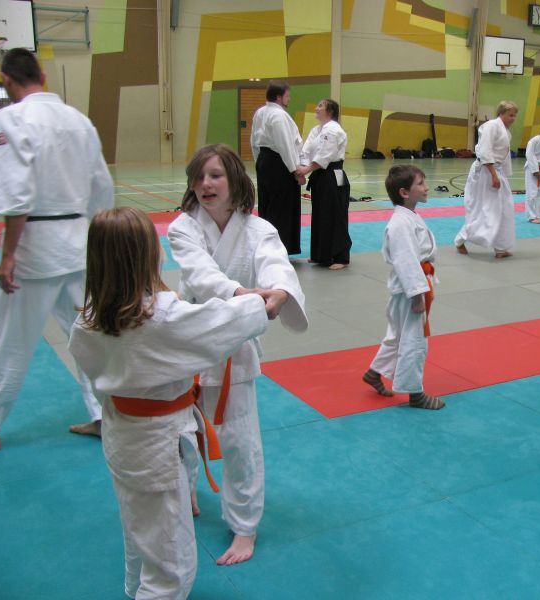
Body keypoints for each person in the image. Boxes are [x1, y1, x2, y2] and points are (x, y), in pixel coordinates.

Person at [69, 207, 275, 600]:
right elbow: (218, 325)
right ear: (148, 256)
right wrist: (261, 302)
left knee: (139, 530)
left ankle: (135, 588)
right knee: (173, 567)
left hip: (121, 434)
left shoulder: (88, 321)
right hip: (158, 444)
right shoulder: (162, 318)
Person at [167, 144, 308, 565]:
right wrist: (243, 294)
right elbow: (200, 274)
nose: (205, 184)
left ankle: (244, 526)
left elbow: (276, 263)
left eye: (215, 175)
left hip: (234, 348)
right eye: (199, 177)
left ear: (234, 180)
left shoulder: (257, 229)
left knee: (240, 441)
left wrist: (279, 292)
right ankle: (186, 490)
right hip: (188, 339)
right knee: (178, 431)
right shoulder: (183, 228)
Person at [0, 48, 113, 452]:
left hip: (35, 250)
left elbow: (17, 195)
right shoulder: (79, 121)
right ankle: (107, 414)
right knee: (90, 334)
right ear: (43, 76)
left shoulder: (9, 119)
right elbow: (101, 187)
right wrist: (97, 239)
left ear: (7, 80)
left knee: (9, 340)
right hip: (79, 244)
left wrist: (9, 255)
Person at [362, 165, 443, 410]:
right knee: (414, 340)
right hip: (411, 290)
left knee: (398, 335)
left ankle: (374, 373)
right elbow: (406, 260)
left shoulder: (409, 216)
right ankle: (415, 393)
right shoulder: (400, 224)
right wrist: (417, 294)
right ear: (404, 192)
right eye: (420, 183)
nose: (426, 187)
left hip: (412, 284)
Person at [454, 101, 518, 258]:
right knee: (487, 211)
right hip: (486, 171)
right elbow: (485, 151)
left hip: (497, 170)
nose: (513, 118)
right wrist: (493, 175)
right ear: (501, 113)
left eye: (515, 115)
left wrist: (501, 175)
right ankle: (460, 239)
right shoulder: (491, 126)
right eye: (510, 115)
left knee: (504, 208)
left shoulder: (504, 130)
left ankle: (500, 248)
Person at [296, 99, 352, 269]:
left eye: (320, 106)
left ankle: (340, 257)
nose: (316, 108)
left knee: (335, 215)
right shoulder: (316, 130)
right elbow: (306, 151)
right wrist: (302, 166)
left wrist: (306, 170)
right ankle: (321, 254)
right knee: (320, 214)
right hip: (319, 175)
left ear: (330, 111)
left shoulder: (333, 129)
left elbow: (325, 154)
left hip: (332, 175)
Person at [250, 79, 304, 255]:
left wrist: (259, 162)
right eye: (287, 95)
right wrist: (295, 170)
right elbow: (285, 145)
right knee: (282, 208)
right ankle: (279, 250)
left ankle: (266, 249)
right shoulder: (279, 115)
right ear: (279, 97)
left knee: (267, 205)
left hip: (265, 161)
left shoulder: (260, 112)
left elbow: (254, 141)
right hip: (280, 164)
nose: (289, 99)